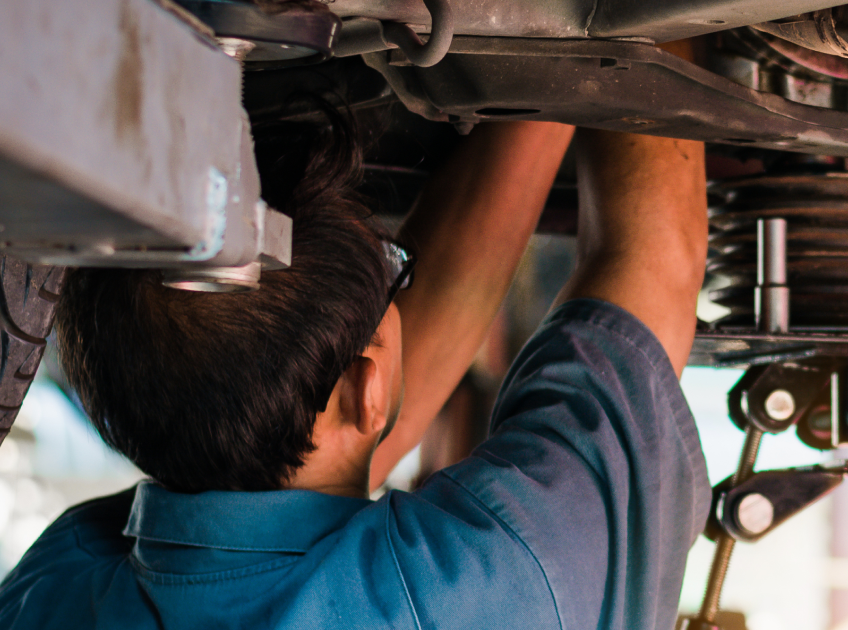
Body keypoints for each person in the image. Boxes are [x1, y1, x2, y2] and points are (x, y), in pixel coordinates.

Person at [0, 107, 711, 629]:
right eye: (396, 276)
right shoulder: (506, 578)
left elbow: (327, 465)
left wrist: (541, 93)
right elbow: (652, 255)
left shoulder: (53, 595)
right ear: (368, 386)